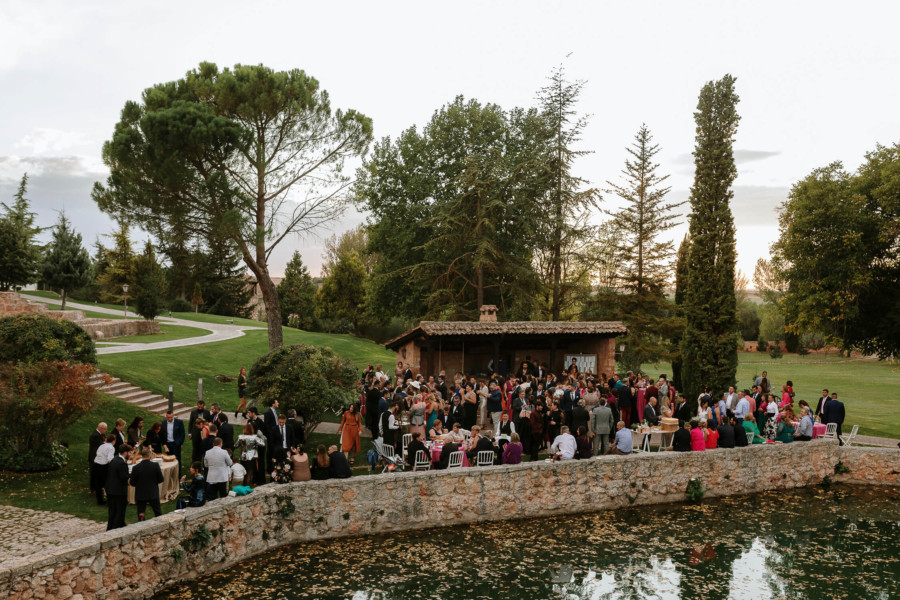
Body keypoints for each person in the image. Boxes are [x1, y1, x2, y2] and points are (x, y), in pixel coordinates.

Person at [129, 447, 163, 521]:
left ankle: (142, 527)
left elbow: (132, 482)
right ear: (149, 455)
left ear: (141, 455)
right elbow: (161, 479)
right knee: (157, 513)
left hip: (141, 494)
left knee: (141, 514)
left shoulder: (136, 468)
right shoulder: (155, 465)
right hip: (153, 492)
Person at [105, 444, 132, 530]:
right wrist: (132, 474)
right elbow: (123, 477)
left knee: (112, 510)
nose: (130, 455)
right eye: (130, 453)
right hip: (119, 490)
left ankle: (111, 527)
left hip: (110, 489)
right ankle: (116, 528)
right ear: (125, 452)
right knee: (120, 510)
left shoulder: (115, 459)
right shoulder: (121, 463)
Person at [92, 433, 116, 505]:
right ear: (114, 441)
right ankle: (109, 501)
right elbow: (110, 459)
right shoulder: (111, 447)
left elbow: (97, 454)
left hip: (96, 465)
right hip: (103, 466)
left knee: (98, 485)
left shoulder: (101, 445)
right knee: (107, 484)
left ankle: (100, 501)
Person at [88, 422, 108, 497]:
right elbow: (101, 444)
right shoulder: (95, 435)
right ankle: (93, 488)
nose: (106, 431)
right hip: (94, 457)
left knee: (97, 473)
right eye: (105, 429)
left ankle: (98, 487)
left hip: (99, 456)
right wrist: (104, 442)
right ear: (101, 428)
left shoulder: (101, 434)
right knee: (93, 473)